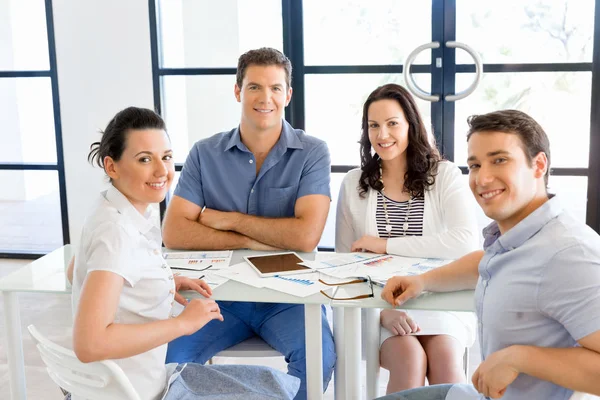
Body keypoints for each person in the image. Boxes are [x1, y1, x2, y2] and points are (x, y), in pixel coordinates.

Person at [70, 107, 300, 400]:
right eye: (144, 159)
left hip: (128, 383)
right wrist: (183, 323)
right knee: (275, 390)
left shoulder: (111, 210)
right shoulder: (117, 231)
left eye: (165, 157)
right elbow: (90, 344)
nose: (161, 171)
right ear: (111, 167)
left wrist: (156, 282)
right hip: (137, 392)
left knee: (270, 382)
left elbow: (77, 272)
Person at [377, 110, 600, 400]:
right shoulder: (521, 236)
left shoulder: (569, 255)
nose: (482, 178)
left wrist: (520, 358)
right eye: (475, 165)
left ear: (539, 164)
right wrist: (422, 281)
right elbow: (489, 261)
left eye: (499, 160)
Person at [161, 47, 335, 399]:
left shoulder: (313, 152)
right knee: (170, 361)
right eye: (255, 87)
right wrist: (256, 240)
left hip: (291, 296)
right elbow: (175, 231)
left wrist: (229, 221)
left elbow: (305, 236)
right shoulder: (204, 153)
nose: (265, 97)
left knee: (319, 360)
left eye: (275, 88)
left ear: (287, 94)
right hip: (217, 295)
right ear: (238, 91)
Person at [335, 83, 480, 393]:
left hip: (439, 299)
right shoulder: (353, 184)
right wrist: (382, 311)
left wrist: (383, 244)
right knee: (409, 359)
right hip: (379, 306)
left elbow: (464, 242)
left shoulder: (444, 175)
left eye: (392, 123)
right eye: (373, 125)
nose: (382, 134)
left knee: (445, 361)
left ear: (411, 125)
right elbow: (344, 264)